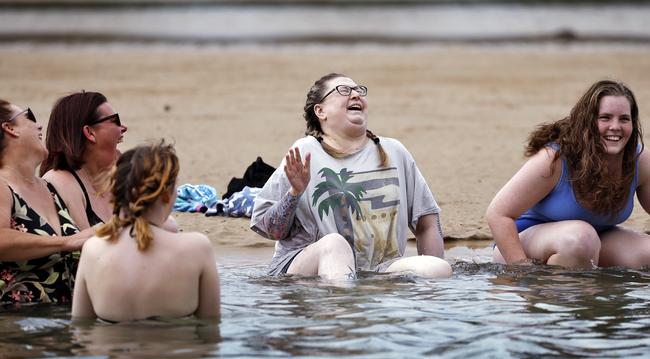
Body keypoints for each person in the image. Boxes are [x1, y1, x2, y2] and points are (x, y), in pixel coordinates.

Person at [251, 73, 452, 280]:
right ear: (320, 111)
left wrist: (430, 297)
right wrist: (294, 193)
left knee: (437, 268)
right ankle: (342, 308)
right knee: (335, 245)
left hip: (377, 273)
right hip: (304, 270)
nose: (355, 94)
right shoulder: (306, 152)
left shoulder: (394, 151)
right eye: (343, 91)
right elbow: (269, 230)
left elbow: (427, 222)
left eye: (359, 90)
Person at [486, 80, 650, 268]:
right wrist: (521, 269)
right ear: (588, 121)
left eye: (624, 119)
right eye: (605, 117)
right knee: (581, 238)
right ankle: (561, 293)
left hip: (596, 240)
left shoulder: (640, 160)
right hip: (523, 244)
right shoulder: (554, 159)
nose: (615, 126)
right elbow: (497, 214)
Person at [72, 141, 220, 322]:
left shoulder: (93, 250)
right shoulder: (197, 248)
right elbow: (210, 328)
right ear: (166, 193)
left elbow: (80, 327)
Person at [0, 99, 93, 304]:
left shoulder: (51, 188)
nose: (39, 125)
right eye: (29, 116)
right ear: (9, 128)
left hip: (67, 323)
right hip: (18, 325)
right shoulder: (2, 185)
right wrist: (65, 242)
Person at [40, 91, 128, 230]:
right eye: (115, 120)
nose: (123, 128)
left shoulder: (121, 174)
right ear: (90, 132)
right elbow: (85, 246)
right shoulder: (60, 182)